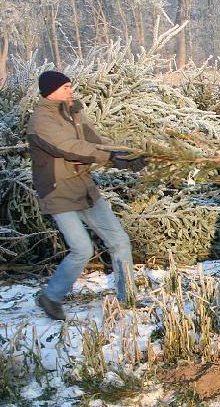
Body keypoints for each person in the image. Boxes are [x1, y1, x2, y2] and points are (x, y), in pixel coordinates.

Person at [27, 70, 146, 320]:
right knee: (82, 249)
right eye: (65, 87)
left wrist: (124, 155)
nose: (71, 90)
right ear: (50, 91)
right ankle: (51, 297)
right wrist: (110, 157)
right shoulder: (41, 121)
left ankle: (128, 299)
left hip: (84, 188)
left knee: (120, 241)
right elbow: (70, 148)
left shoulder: (75, 113)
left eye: (70, 86)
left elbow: (96, 143)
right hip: (58, 191)